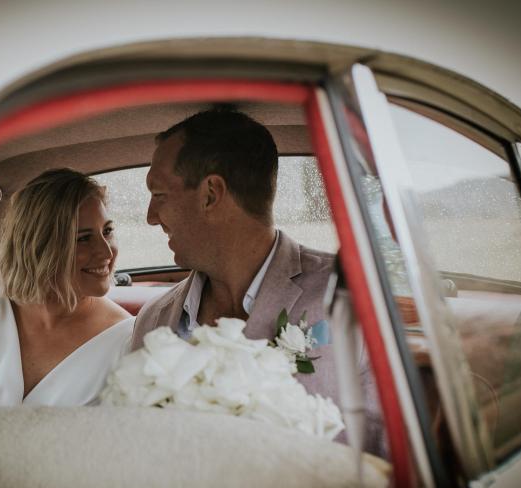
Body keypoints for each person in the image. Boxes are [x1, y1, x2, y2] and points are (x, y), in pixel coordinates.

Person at [131, 109, 386, 457]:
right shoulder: (154, 320)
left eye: (159, 195)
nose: (149, 216)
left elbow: (382, 454)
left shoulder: (347, 296)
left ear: (211, 194)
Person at [0, 169, 133, 414]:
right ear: (40, 246)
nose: (106, 252)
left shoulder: (129, 340)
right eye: (82, 238)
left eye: (107, 231)